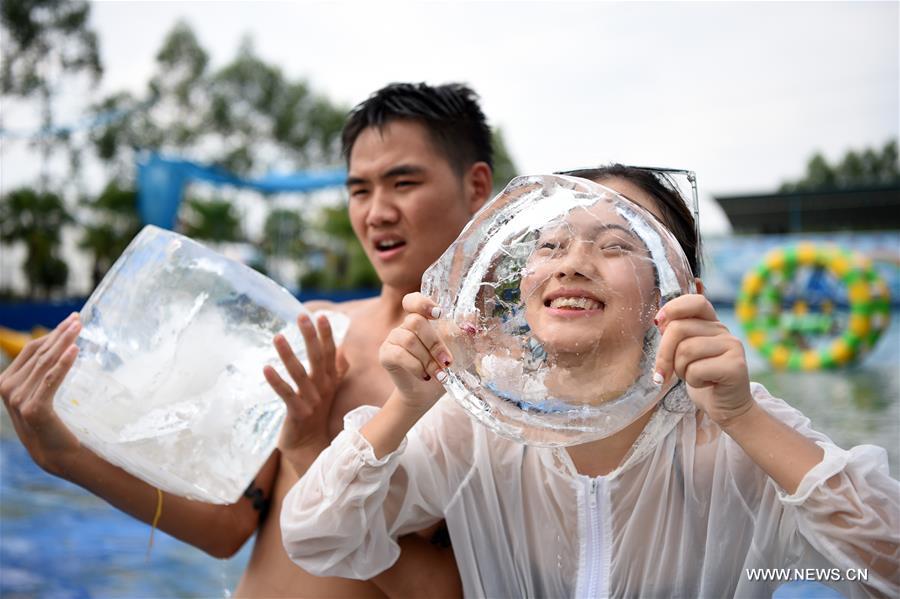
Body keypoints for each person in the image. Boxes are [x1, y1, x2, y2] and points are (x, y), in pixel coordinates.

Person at [280, 165, 899, 597]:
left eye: (615, 244)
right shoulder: (480, 421)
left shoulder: (733, 427)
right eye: (548, 244)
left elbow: (886, 570)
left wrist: (744, 421)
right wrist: (404, 409)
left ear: (679, 291)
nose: (572, 263)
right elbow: (317, 537)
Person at [0, 82, 494, 598]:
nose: (377, 212)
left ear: (476, 185)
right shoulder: (317, 329)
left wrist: (309, 452)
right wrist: (66, 457)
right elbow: (229, 525)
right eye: (359, 190)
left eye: (403, 182)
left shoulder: (492, 381)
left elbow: (451, 592)